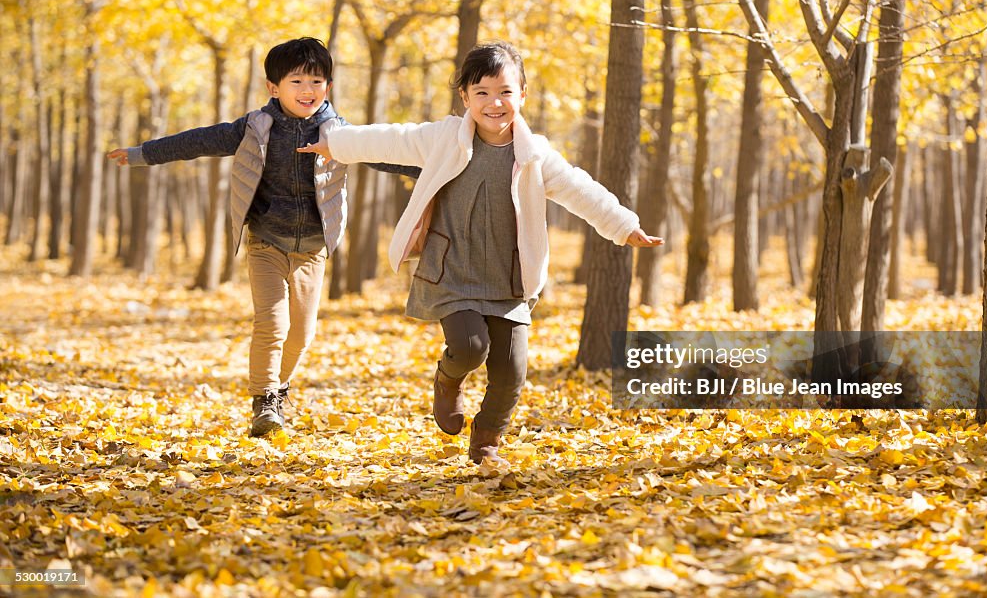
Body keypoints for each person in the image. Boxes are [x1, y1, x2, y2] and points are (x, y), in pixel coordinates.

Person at [299, 41, 662, 466]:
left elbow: (580, 188)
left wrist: (623, 224)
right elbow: (392, 140)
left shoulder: (535, 153)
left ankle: (486, 439)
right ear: (465, 98)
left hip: (509, 277)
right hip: (451, 269)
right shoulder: (443, 138)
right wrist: (335, 142)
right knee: (471, 347)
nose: (495, 103)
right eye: (482, 93)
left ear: (523, 95)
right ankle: (447, 379)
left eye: (506, 92)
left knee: (511, 373)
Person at [108, 37, 418, 438]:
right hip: (266, 242)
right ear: (274, 87)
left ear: (328, 86)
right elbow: (199, 140)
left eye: (317, 81)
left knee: (302, 335)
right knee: (271, 324)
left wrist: (436, 171)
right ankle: (264, 400)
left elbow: (384, 156)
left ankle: (278, 387)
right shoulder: (254, 128)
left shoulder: (338, 133)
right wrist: (143, 153)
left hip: (311, 249)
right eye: (297, 81)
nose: (308, 90)